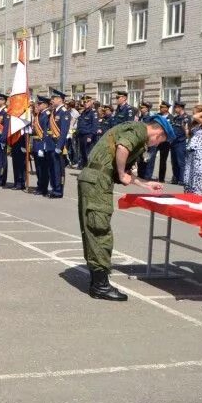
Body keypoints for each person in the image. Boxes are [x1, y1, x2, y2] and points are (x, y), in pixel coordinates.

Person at [78, 116, 171, 300]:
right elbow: (123, 148)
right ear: (158, 134)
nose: (154, 146)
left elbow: (126, 173)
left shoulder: (133, 131)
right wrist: (121, 174)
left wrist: (145, 184)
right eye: (160, 142)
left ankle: (97, 281)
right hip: (97, 182)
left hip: (95, 179)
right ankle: (100, 286)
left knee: (94, 229)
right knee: (99, 230)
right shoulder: (139, 130)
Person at [184, 105, 202, 195]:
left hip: (199, 151)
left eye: (195, 111)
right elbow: (189, 136)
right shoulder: (195, 124)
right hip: (190, 149)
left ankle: (197, 193)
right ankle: (188, 192)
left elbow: (196, 116)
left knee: (197, 173)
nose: (193, 113)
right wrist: (185, 129)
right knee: (188, 173)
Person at [49, 89, 71, 197]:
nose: (52, 100)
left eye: (54, 98)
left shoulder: (64, 112)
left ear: (60, 99)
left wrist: (59, 146)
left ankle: (59, 190)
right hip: (51, 144)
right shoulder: (54, 112)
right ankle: (54, 187)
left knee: (59, 169)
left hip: (58, 145)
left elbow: (63, 131)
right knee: (53, 168)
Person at [31, 95, 52, 195]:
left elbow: (45, 132)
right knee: (38, 168)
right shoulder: (39, 115)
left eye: (39, 104)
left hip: (41, 144)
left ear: (45, 104)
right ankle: (40, 185)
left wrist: (43, 146)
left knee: (43, 168)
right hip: (36, 144)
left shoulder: (47, 115)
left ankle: (43, 188)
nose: (38, 105)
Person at [169, 102, 189, 185]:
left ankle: (182, 179)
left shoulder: (186, 118)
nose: (175, 109)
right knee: (174, 161)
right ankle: (175, 178)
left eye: (176, 107)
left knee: (181, 161)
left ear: (181, 108)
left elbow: (187, 131)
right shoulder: (175, 118)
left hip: (181, 142)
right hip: (173, 142)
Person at [76, 96, 97, 168]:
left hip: (88, 136)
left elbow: (94, 125)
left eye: (87, 102)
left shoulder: (93, 113)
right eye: (84, 102)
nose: (85, 103)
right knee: (83, 154)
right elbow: (80, 124)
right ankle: (84, 169)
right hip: (81, 135)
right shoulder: (84, 112)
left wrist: (90, 136)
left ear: (91, 102)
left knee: (88, 154)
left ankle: (89, 170)